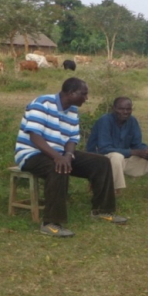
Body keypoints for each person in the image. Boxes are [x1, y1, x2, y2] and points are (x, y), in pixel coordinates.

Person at [15, 77, 127, 237]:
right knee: (58, 167)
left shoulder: (73, 110)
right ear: (71, 93)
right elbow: (35, 136)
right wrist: (58, 158)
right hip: (31, 154)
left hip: (59, 153)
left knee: (101, 162)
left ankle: (102, 210)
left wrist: (68, 155)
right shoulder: (42, 103)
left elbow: (72, 139)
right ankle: (51, 223)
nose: (86, 98)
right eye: (84, 94)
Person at [85, 96, 148, 207]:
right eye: (121, 109)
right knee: (116, 156)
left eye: (128, 109)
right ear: (114, 108)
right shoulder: (105, 120)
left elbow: (137, 144)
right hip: (101, 162)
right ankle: (113, 193)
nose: (125, 112)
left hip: (123, 160)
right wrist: (134, 152)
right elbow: (104, 148)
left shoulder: (132, 121)